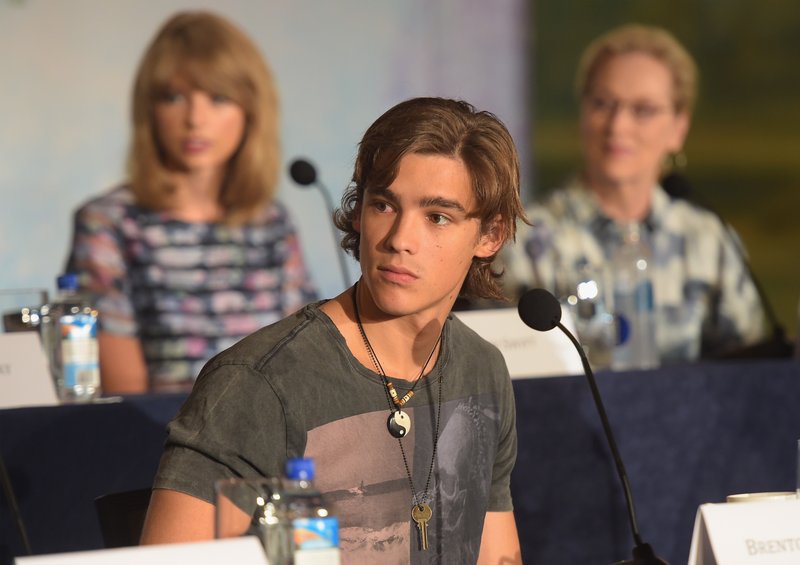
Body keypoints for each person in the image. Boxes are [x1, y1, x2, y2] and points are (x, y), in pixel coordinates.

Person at [140, 97, 525, 564]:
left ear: (490, 235)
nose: (399, 239)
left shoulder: (481, 369)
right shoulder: (256, 384)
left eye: (437, 216)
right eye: (383, 204)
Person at [64, 11, 317, 394]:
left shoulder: (272, 222)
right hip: (158, 446)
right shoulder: (108, 223)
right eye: (174, 97)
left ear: (251, 111)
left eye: (218, 97)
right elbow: (125, 402)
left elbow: (302, 369)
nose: (195, 119)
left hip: (271, 446)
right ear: (149, 110)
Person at [503, 23, 765, 364]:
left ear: (678, 129)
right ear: (582, 112)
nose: (618, 126)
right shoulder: (524, 239)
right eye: (602, 103)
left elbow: (755, 377)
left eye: (643, 110)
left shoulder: (710, 240)